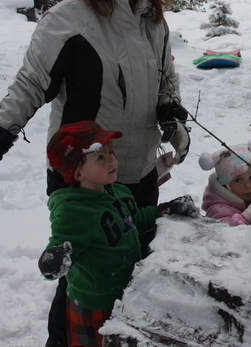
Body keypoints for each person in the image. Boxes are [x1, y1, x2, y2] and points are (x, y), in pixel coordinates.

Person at [0, 0, 190, 345]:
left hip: (138, 170)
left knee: (133, 268)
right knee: (83, 276)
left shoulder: (151, 16)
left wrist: (172, 113)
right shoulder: (70, 19)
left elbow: (166, 77)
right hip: (85, 178)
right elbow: (31, 83)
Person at [39, 121, 198, 347]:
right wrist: (53, 259)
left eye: (111, 153)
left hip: (125, 294)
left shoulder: (119, 191)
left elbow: (133, 220)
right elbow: (61, 245)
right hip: (94, 305)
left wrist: (163, 210)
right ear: (78, 173)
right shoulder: (73, 211)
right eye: (100, 158)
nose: (112, 160)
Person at [198, 140, 251, 226]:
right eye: (238, 180)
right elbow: (221, 232)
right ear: (226, 185)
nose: (247, 185)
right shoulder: (218, 209)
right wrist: (247, 217)